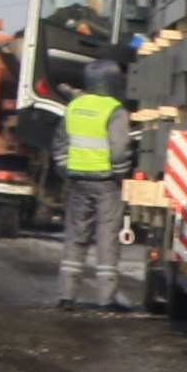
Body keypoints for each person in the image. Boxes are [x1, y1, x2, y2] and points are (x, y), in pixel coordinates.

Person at [56, 59, 134, 312]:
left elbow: (59, 145)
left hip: (78, 183)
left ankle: (67, 296)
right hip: (106, 184)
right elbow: (119, 151)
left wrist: (66, 170)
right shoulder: (115, 110)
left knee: (75, 238)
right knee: (106, 239)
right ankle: (105, 299)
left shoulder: (74, 107)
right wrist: (122, 176)